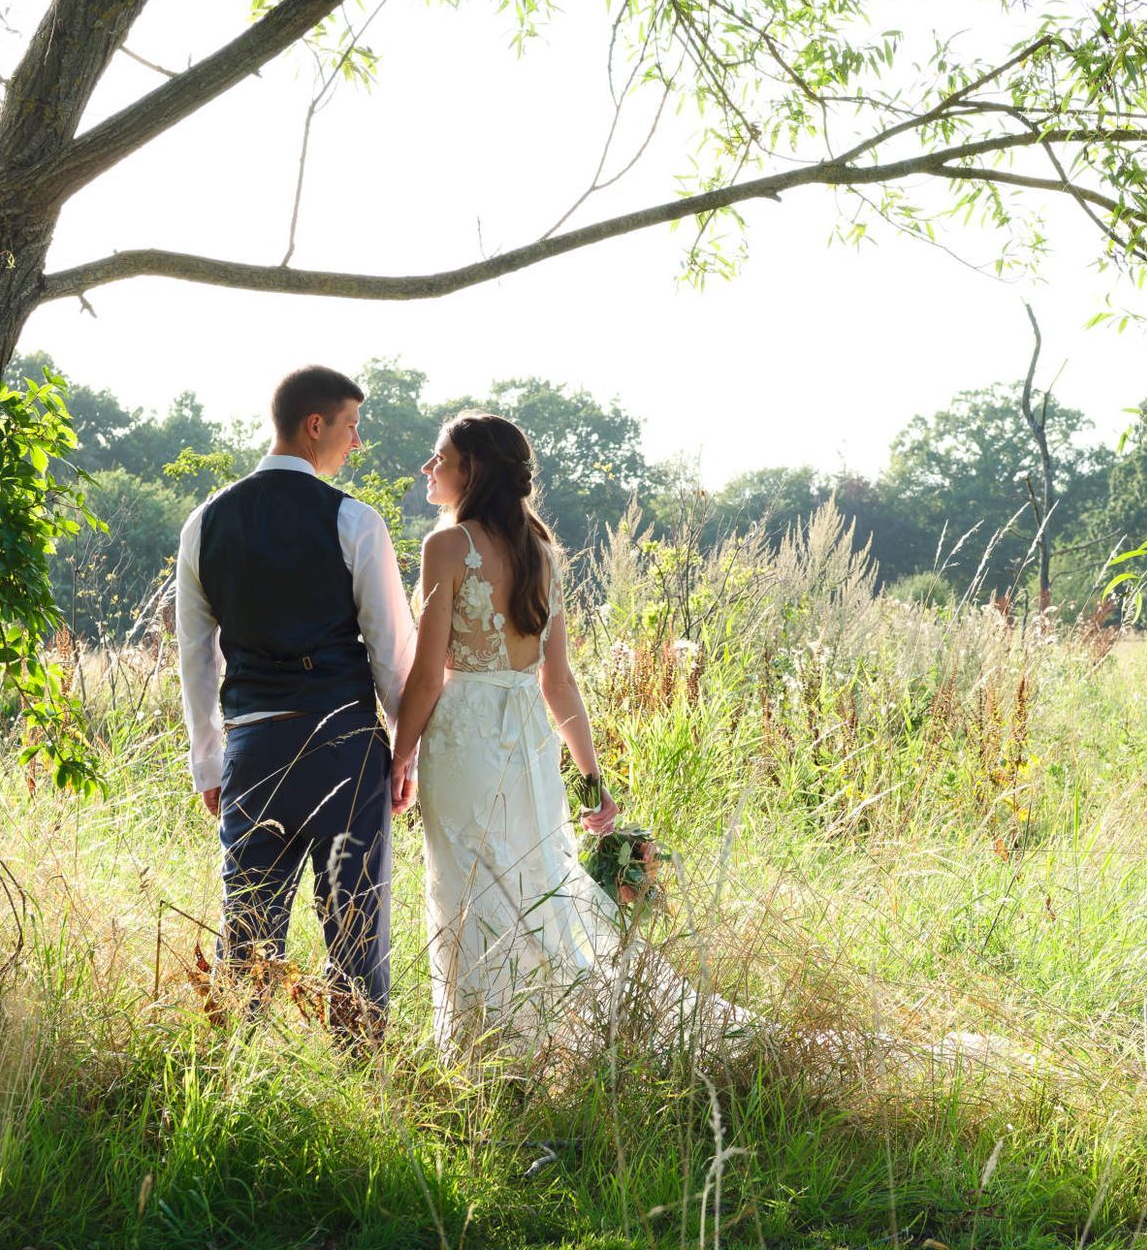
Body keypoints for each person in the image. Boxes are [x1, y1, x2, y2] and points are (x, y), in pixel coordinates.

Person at [395, 412, 732, 1056]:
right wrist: (592, 779)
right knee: (534, 878)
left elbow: (429, 675)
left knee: (468, 880)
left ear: (473, 471)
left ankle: (486, 1048)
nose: (428, 469)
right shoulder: (543, 553)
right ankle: (544, 1035)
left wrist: (400, 753)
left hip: (464, 737)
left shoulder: (447, 547)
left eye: (440, 458)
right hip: (527, 739)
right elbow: (557, 682)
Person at [176, 365, 415, 1043]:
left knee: (247, 927)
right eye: (350, 426)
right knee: (354, 927)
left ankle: (234, 1077)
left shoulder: (204, 522)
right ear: (316, 425)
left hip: (253, 753)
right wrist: (404, 749)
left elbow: (197, 656)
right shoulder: (354, 521)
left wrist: (210, 765)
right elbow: (390, 651)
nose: (356, 443)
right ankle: (364, 1078)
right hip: (343, 750)